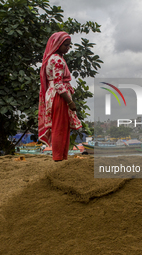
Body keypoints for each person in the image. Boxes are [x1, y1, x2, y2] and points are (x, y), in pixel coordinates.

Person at [38, 31, 82, 161]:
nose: (67, 48)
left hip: (53, 95)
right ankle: (58, 157)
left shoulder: (51, 58)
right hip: (59, 96)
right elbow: (58, 84)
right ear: (57, 44)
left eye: (69, 45)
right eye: (65, 45)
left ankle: (61, 156)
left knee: (61, 126)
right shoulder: (57, 60)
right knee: (60, 127)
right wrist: (69, 102)